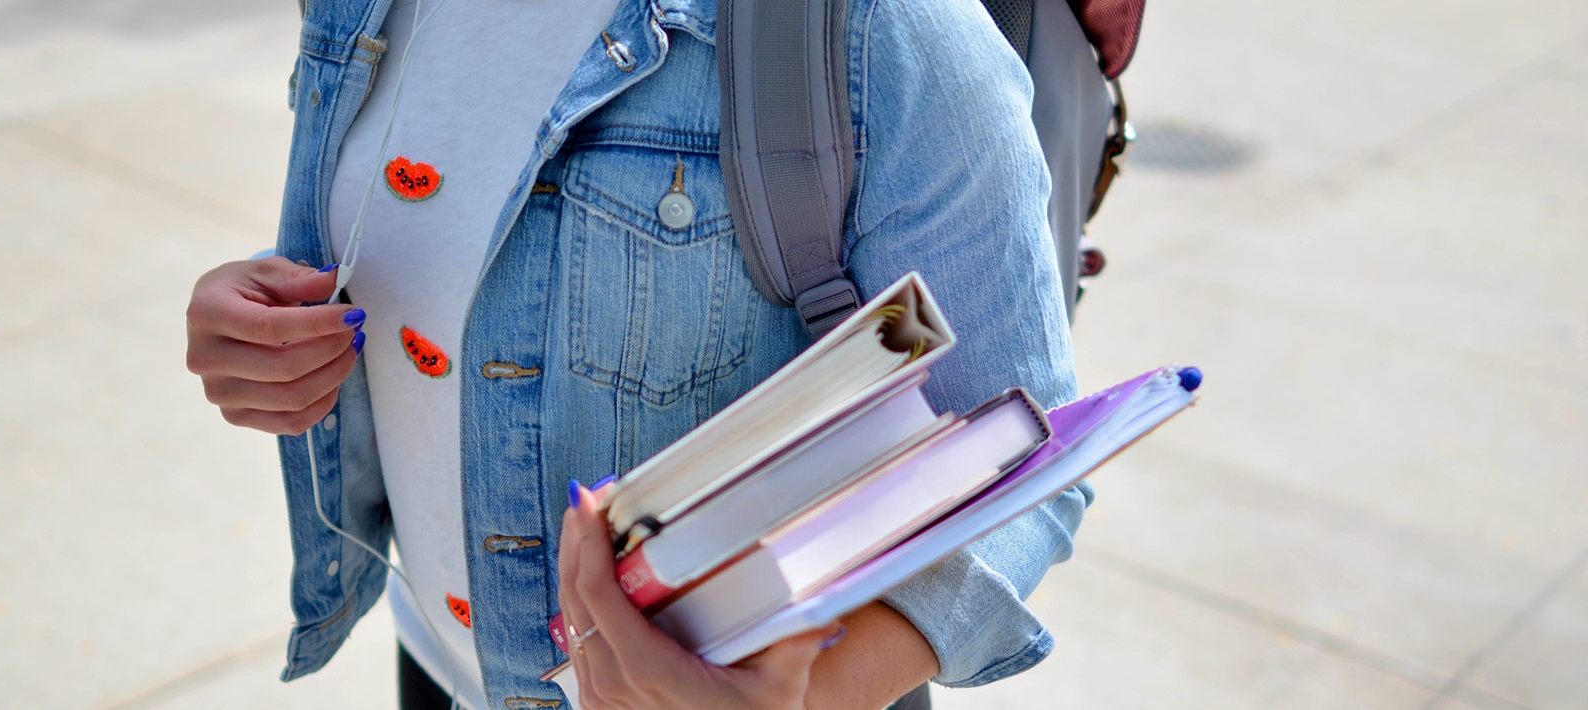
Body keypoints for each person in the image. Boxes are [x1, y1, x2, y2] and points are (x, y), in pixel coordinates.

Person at [184, 0, 1104, 707]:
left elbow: (1021, 451)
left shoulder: (876, 25)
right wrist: (261, 332)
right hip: (435, 663)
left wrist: (810, 696)